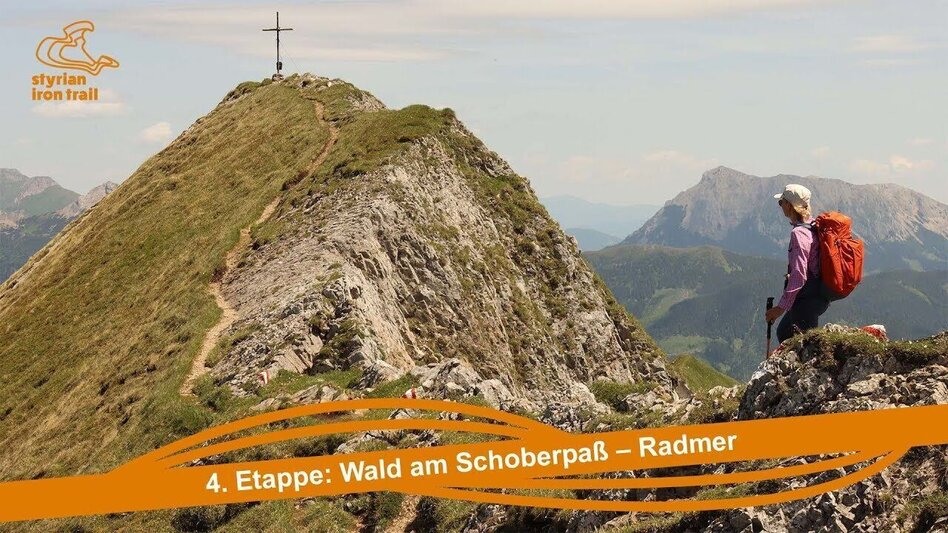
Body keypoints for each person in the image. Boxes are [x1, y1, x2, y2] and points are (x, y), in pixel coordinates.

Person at [766, 184, 830, 343]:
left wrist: (780, 308)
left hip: (806, 300)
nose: (780, 206)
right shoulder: (814, 226)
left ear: (789, 205)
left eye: (781, 202)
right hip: (818, 295)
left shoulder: (799, 234)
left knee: (797, 341)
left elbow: (799, 275)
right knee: (785, 332)